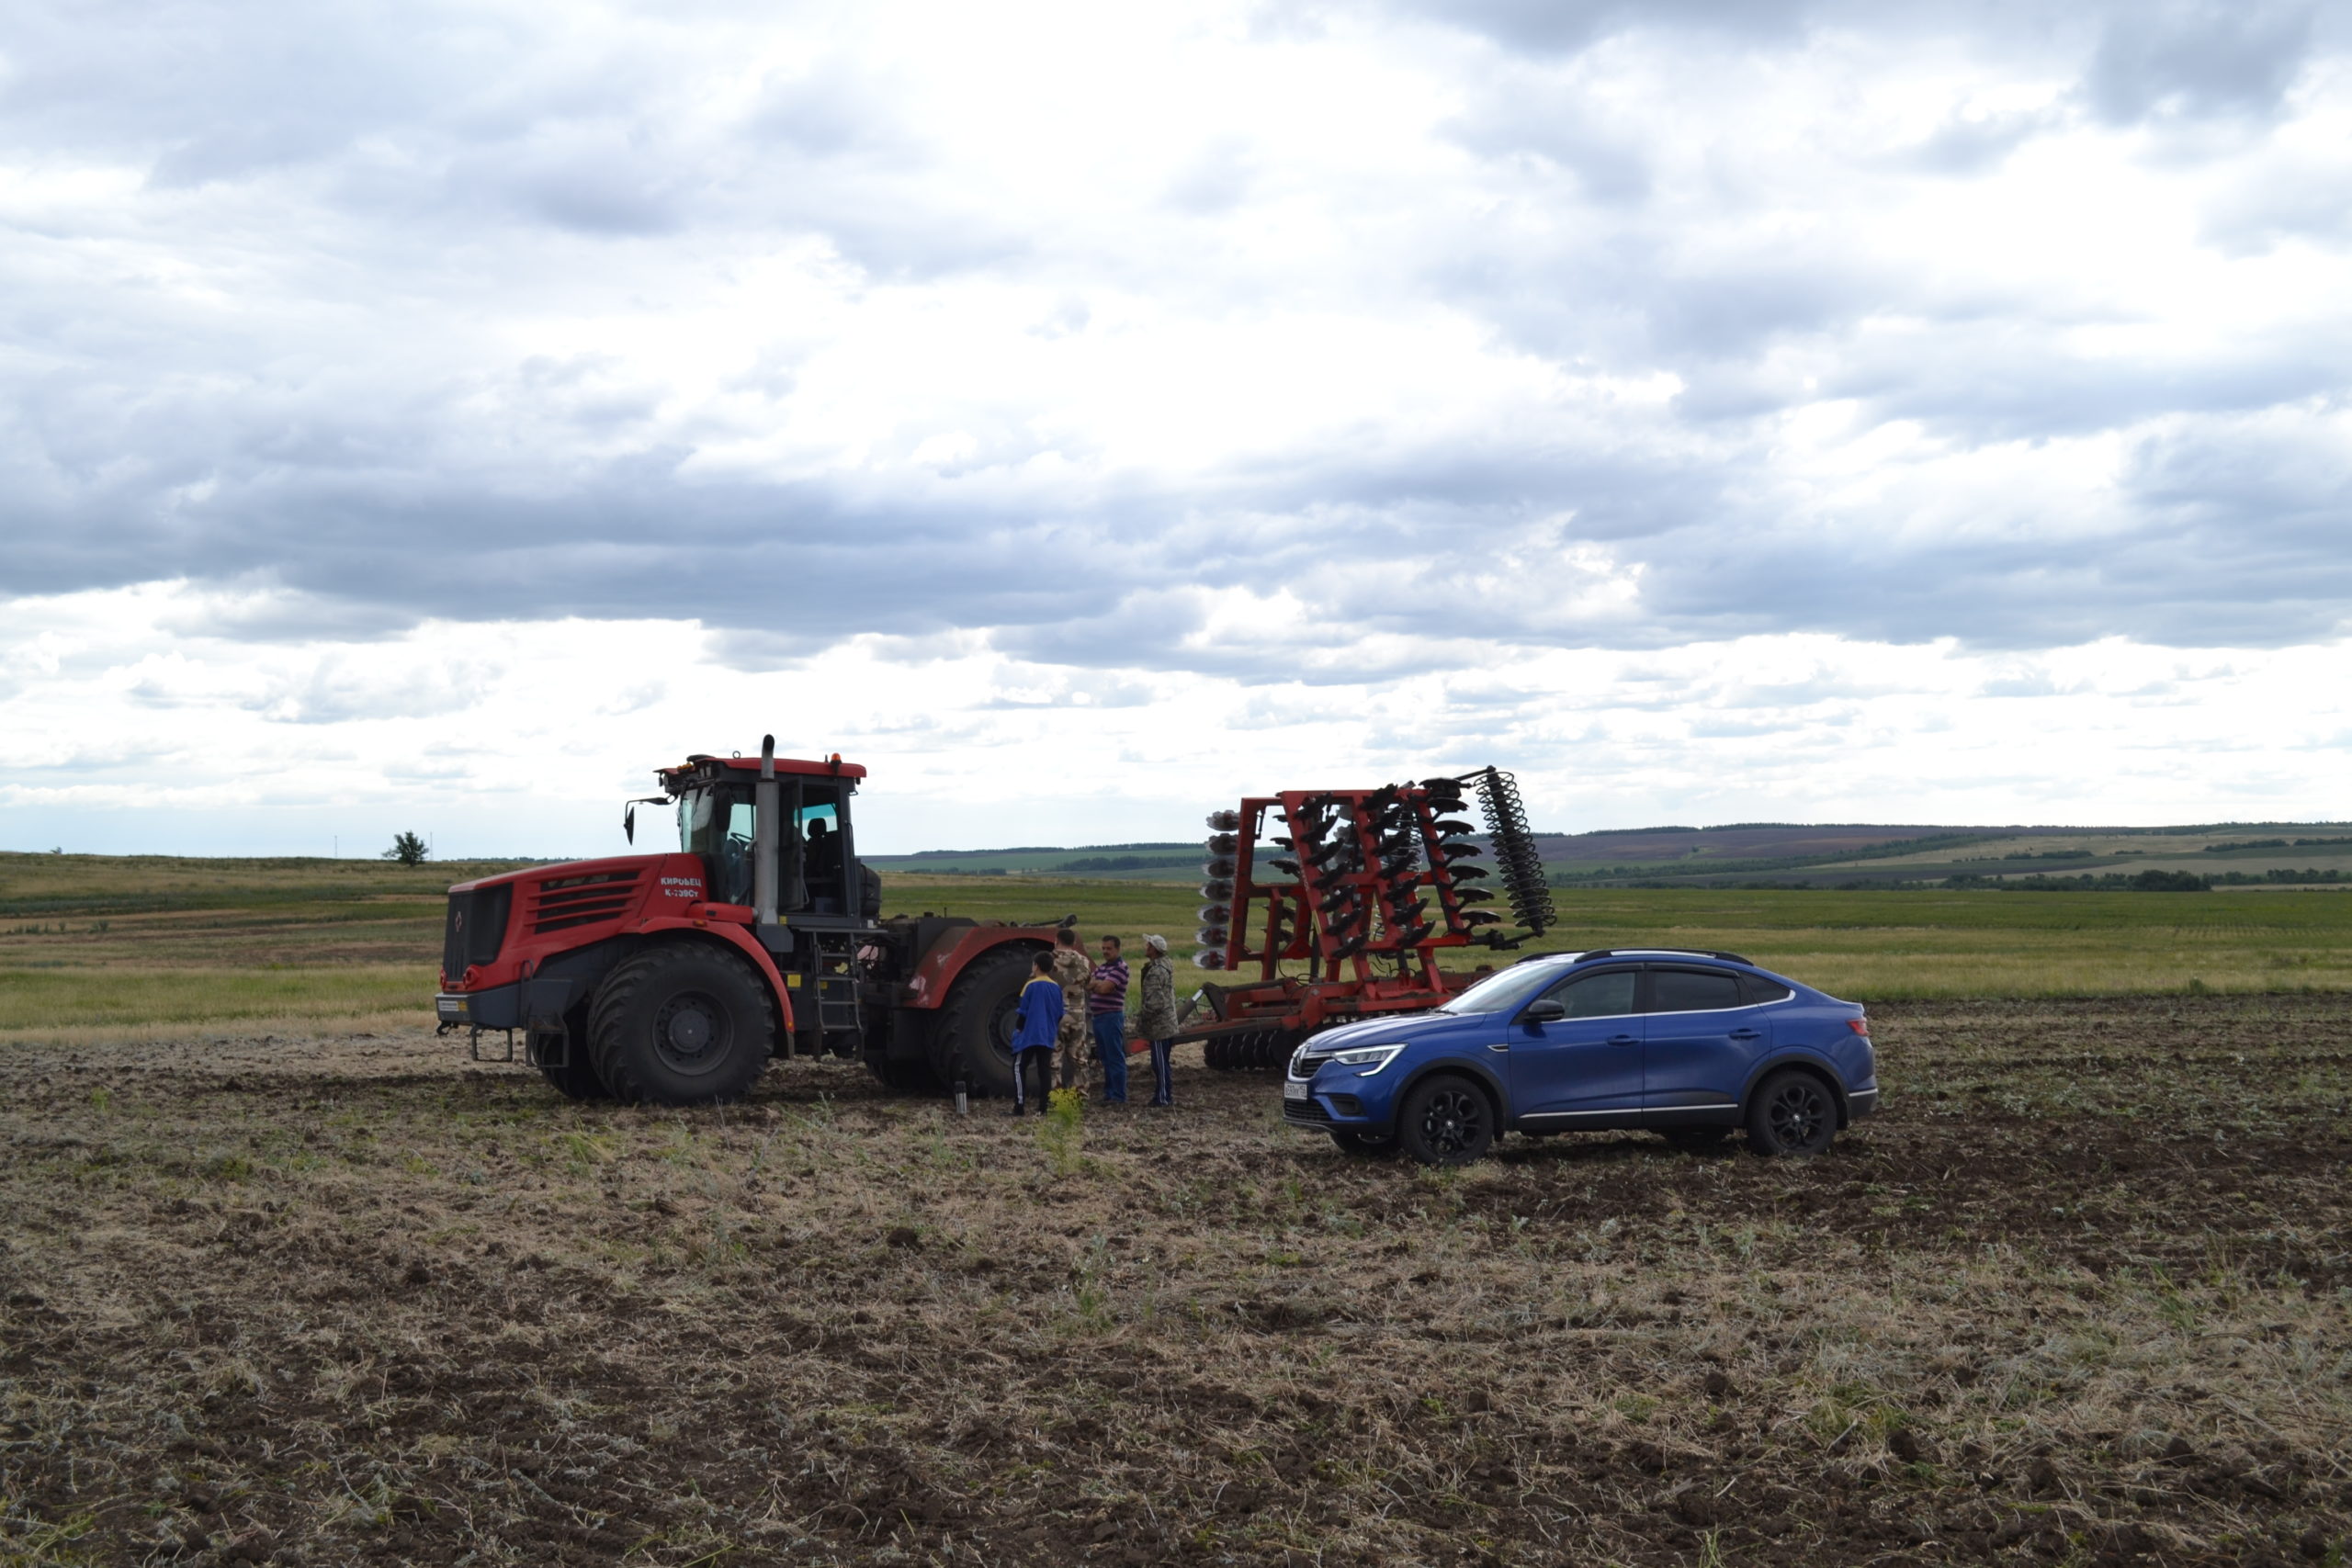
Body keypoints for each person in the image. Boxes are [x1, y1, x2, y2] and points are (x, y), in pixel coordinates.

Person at [1008, 950, 1062, 1115]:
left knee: (1018, 1067)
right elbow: (1060, 1013)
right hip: (1047, 1035)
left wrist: (1019, 1028)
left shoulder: (1029, 985)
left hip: (1029, 1035)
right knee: (1044, 1070)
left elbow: (1023, 1011)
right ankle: (1043, 1108)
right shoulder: (1056, 987)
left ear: (1036, 966)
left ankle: (1019, 1106)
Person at [1136, 933, 1179, 1107]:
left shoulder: (1155, 972)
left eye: (1148, 944)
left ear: (1153, 949)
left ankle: (1162, 1098)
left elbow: (1155, 1003)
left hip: (1159, 1026)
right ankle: (1164, 1095)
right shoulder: (1165, 966)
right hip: (1167, 1023)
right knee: (1162, 1063)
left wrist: (1142, 1018)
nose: (1145, 946)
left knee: (1159, 1064)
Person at [1050, 929, 1094, 1093]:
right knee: (1079, 1058)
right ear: (1074, 942)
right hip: (1077, 1014)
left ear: (1056, 940)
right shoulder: (1083, 961)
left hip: (1056, 1014)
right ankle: (1080, 1094)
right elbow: (1089, 982)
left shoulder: (1049, 960)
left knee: (1054, 1058)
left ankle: (1056, 1095)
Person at [1089, 934, 1131, 1104]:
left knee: (1114, 1057)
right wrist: (1096, 984)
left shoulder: (1120, 968)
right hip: (1099, 1017)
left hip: (1111, 1016)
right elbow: (1088, 984)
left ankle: (1118, 1096)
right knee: (1105, 1058)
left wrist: (1096, 985)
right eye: (1103, 948)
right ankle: (1109, 1093)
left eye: (1109, 948)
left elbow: (1105, 988)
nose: (1105, 951)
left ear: (1118, 949)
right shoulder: (1102, 968)